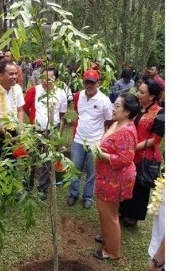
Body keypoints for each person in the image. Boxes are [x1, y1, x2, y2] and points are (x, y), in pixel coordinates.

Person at [92, 93, 139, 260]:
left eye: (117, 106)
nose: (113, 108)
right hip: (107, 177)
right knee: (105, 212)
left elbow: (125, 159)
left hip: (114, 179)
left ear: (127, 112)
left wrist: (100, 154)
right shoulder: (117, 123)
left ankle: (112, 251)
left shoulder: (126, 131)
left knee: (109, 215)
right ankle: (107, 238)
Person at [119, 79, 165, 227]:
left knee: (140, 187)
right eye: (138, 91)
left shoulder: (159, 112)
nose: (138, 94)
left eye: (142, 92)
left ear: (151, 96)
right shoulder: (137, 108)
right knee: (128, 182)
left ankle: (134, 216)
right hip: (131, 152)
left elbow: (155, 140)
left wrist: (134, 147)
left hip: (145, 155)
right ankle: (124, 210)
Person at [67, 69, 113, 209]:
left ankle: (87, 197)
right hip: (78, 140)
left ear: (97, 83)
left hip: (95, 143)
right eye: (86, 82)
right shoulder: (78, 96)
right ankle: (73, 194)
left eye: (92, 82)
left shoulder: (104, 100)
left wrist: (100, 136)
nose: (89, 85)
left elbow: (109, 120)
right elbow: (79, 113)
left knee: (92, 172)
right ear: (83, 82)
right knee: (74, 169)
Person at [23, 67, 68, 199]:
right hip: (35, 130)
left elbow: (62, 112)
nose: (45, 81)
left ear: (56, 79)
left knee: (47, 160)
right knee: (31, 158)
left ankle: (42, 188)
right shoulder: (34, 90)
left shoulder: (60, 93)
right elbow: (26, 108)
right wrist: (34, 119)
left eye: (49, 79)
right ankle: (27, 186)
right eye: (43, 78)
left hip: (52, 131)